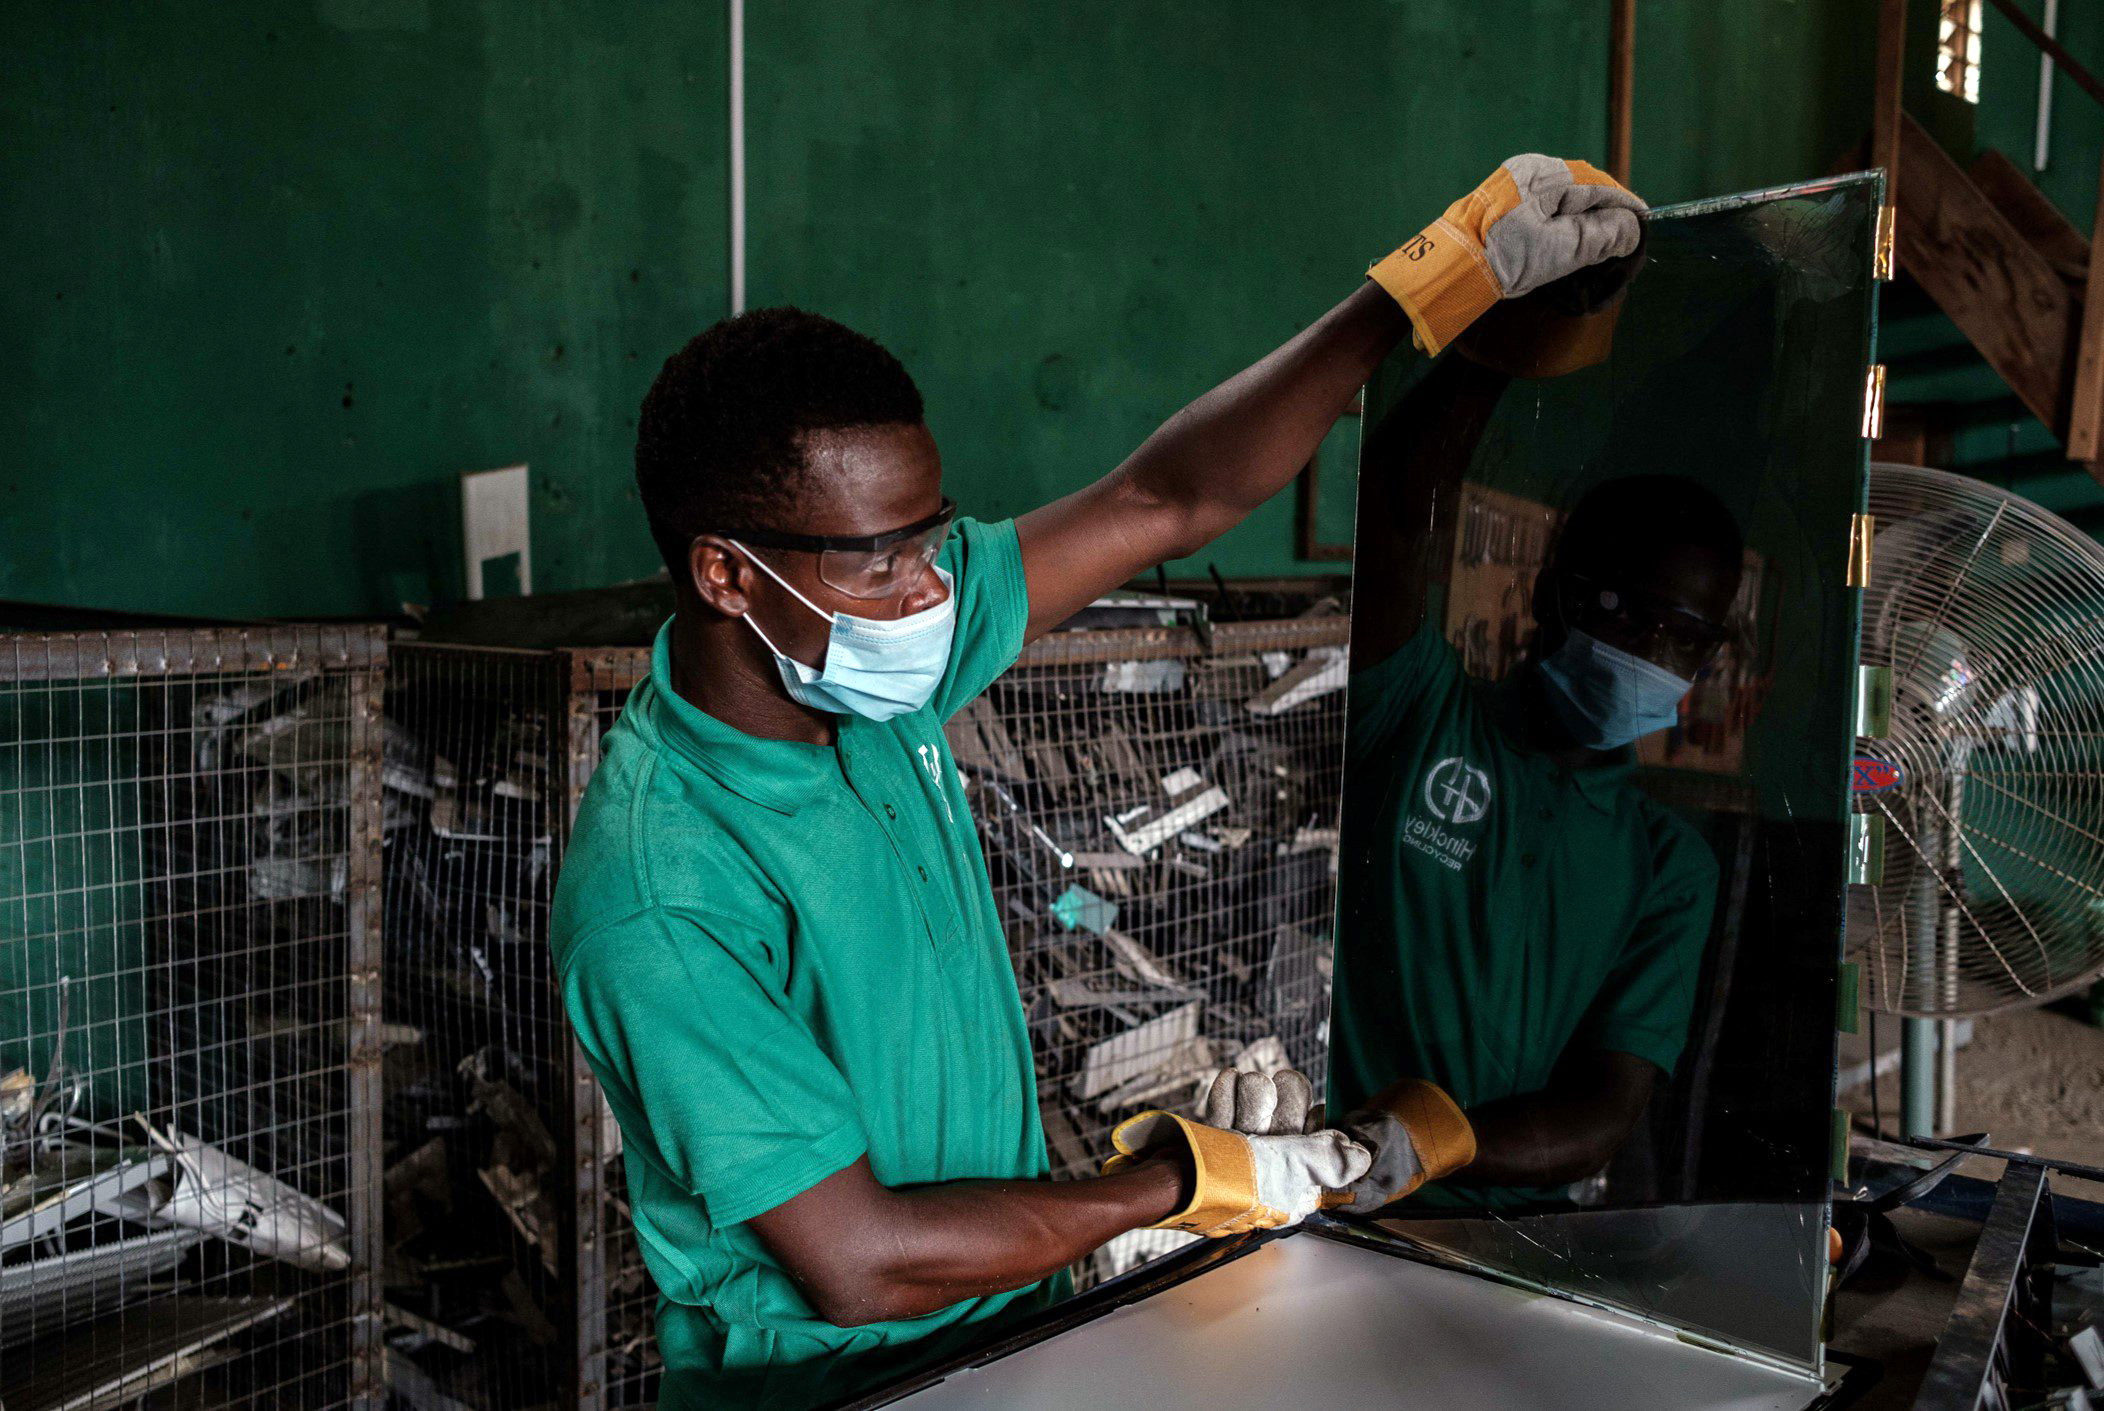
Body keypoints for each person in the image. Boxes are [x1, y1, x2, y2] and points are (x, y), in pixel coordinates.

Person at [549, 155, 1646, 1408]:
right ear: (727, 576)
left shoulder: (867, 673)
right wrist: (1189, 1179)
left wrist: (1404, 299)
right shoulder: (664, 896)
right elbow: (860, 1263)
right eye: (882, 561)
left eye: (933, 535)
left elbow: (1170, 494)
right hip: (846, 1390)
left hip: (1006, 1340)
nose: (929, 590)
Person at [1330, 339, 1745, 1213]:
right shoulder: (1422, 710)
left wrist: (1428, 1145)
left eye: (1688, 639)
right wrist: (1506, 339)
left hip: (1505, 1234)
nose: (1654, 655)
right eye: (1631, 615)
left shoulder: (1668, 865)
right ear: (1553, 593)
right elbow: (1395, 515)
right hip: (1321, 1205)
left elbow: (1606, 1107)